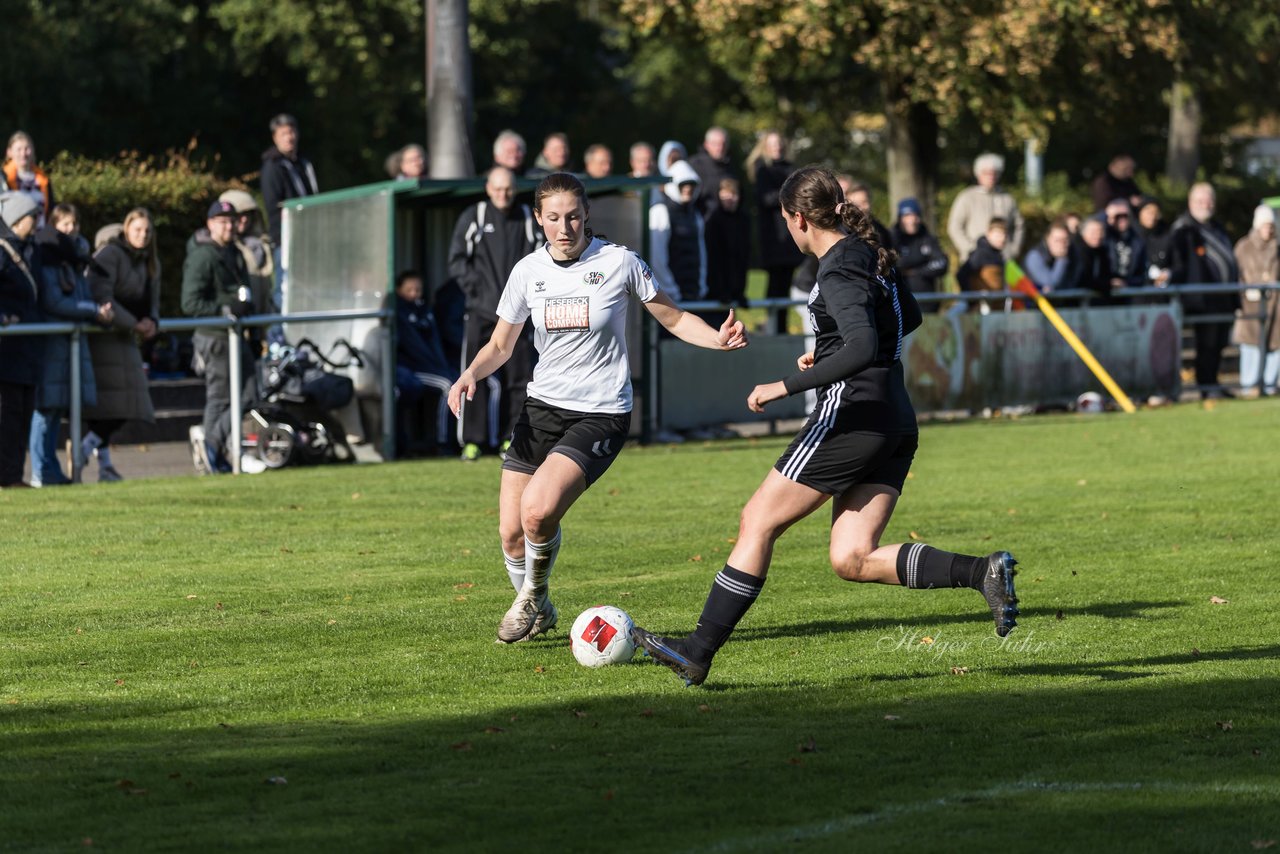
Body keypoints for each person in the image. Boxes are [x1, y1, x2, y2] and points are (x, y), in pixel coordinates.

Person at [630, 167, 1019, 687]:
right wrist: (831, 347)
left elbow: (862, 345)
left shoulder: (836, 269)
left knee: (757, 521)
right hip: (893, 417)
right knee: (851, 557)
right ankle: (981, 572)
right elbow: (908, 318)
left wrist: (784, 385)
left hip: (851, 416)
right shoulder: (869, 253)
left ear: (797, 218)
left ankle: (697, 651)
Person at [447, 172, 748, 644]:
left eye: (572, 216)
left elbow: (672, 317)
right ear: (538, 219)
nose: (564, 227)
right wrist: (470, 374)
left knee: (537, 512)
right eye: (553, 218)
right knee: (510, 533)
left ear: (586, 214)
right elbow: (501, 345)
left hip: (601, 412)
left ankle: (531, 595)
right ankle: (542, 607)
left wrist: (717, 338)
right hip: (541, 408)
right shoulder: (527, 271)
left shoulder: (619, 261)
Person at [447, 166, 543, 461]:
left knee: (520, 379)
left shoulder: (526, 217)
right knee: (473, 375)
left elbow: (541, 256)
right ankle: (472, 441)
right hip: (482, 311)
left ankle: (510, 439)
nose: (504, 194)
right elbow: (457, 260)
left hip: (518, 314)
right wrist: (477, 291)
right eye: (498, 189)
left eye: (509, 189)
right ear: (488, 188)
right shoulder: (474, 216)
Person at [30, 216, 111, 486]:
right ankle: (40, 471)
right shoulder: (49, 262)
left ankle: (50, 470)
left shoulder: (72, 263)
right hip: (50, 345)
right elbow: (55, 302)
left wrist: (98, 311)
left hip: (66, 346)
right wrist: (93, 311)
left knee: (56, 409)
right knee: (45, 409)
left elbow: (81, 297)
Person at [82, 207, 161, 481]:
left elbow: (153, 300)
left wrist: (152, 321)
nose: (143, 235)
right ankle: (83, 451)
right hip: (107, 336)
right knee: (121, 405)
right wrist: (134, 324)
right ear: (126, 229)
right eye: (138, 229)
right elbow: (102, 296)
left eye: (147, 231)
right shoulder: (111, 255)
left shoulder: (149, 261)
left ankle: (102, 465)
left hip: (126, 335)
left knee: (119, 405)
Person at [181, 200, 255, 473]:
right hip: (215, 338)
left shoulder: (234, 252)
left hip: (236, 335)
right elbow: (190, 303)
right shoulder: (203, 256)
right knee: (221, 398)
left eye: (232, 221)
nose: (228, 226)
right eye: (222, 221)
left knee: (250, 394)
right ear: (210, 224)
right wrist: (226, 308)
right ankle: (209, 447)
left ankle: (211, 447)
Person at [1169, 182, 1239, 399]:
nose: (1206, 205)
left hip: (1224, 297)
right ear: (1191, 203)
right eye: (1201, 201)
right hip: (1203, 298)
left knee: (1219, 343)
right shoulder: (1184, 228)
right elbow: (1179, 263)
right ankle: (1206, 386)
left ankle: (1213, 382)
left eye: (1209, 201)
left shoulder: (1217, 227)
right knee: (1206, 344)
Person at [260, 113, 318, 332]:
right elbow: (275, 207)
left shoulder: (304, 164)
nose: (289, 137)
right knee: (283, 289)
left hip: (308, 238)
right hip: (286, 239)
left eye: (292, 132)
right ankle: (277, 338)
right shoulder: (273, 167)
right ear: (275, 137)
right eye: (283, 133)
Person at [0, 192, 42, 488]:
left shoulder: (31, 251)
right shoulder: (4, 252)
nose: (37, 222)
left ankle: (14, 475)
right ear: (16, 219)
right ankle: (7, 475)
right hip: (7, 352)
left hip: (26, 349)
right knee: (8, 415)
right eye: (32, 216)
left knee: (23, 413)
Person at [393, 270, 458, 452]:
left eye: (418, 289)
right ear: (398, 290)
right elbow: (414, 348)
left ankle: (459, 439)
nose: (414, 294)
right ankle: (443, 443)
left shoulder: (425, 311)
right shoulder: (399, 313)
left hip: (430, 367)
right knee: (448, 386)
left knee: (459, 382)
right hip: (412, 369)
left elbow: (435, 344)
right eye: (409, 289)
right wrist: (438, 368)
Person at [751, 130, 804, 333]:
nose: (777, 147)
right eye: (772, 144)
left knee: (786, 283)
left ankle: (781, 327)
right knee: (774, 283)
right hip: (773, 236)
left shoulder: (791, 169)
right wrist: (790, 195)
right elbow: (765, 198)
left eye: (779, 143)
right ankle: (773, 327)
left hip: (790, 234)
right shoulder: (763, 170)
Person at [1231, 205, 1279, 397]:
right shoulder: (1244, 247)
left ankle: (1269, 384)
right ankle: (1249, 384)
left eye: (1271, 225)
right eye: (1265, 225)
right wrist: (1245, 292)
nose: (1269, 229)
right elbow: (1236, 274)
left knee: (1276, 344)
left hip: (1275, 305)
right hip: (1250, 304)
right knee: (1251, 345)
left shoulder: (1277, 247)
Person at [947, 152, 1023, 261]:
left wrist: (1013, 249)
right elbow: (954, 227)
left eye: (994, 173)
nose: (990, 177)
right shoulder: (967, 197)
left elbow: (1019, 225)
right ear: (978, 174)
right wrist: (970, 249)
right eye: (986, 173)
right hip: (974, 260)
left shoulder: (1007, 199)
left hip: (1003, 259)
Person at [648, 160, 706, 303]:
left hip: (693, 294)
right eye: (683, 184)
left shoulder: (695, 215)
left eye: (691, 185)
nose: (688, 189)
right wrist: (671, 292)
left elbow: (701, 254)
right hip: (670, 299)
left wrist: (701, 287)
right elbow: (657, 259)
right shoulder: (660, 212)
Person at [889, 197, 947, 311]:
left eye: (915, 215)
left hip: (927, 304)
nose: (912, 220)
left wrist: (916, 272)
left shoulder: (927, 238)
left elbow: (942, 263)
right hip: (900, 303)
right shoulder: (891, 238)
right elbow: (891, 265)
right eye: (907, 216)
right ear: (900, 218)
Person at [704, 178, 750, 308]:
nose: (729, 199)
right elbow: (713, 257)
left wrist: (739, 292)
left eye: (733, 194)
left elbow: (743, 256)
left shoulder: (744, 219)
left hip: (735, 283)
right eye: (725, 195)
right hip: (716, 288)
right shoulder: (713, 219)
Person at [3, 132, 54, 228]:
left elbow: (51, 209)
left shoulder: (43, 179)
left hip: (41, 231)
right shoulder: (3, 179)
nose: (23, 154)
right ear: (9, 152)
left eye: (27, 149)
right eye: (19, 149)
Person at [956, 218, 1008, 311]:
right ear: (989, 234)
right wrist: (972, 300)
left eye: (1004, 234)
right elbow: (961, 275)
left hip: (996, 308)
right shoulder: (981, 254)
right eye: (998, 235)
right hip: (982, 309)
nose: (1002, 238)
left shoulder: (999, 256)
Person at [688, 126, 736, 218]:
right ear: (706, 144)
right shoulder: (695, 164)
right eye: (715, 144)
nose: (720, 148)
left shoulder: (729, 167)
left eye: (723, 144)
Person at [1103, 199, 1148, 294]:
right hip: (1106, 293)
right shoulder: (1102, 239)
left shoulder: (1138, 240)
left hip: (1131, 292)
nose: (1122, 219)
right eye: (1117, 216)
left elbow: (1142, 272)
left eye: (1125, 216)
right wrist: (1109, 282)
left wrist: (1127, 283)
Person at [1023, 220, 1078, 294]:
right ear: (1047, 239)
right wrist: (1061, 259)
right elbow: (1051, 282)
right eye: (1057, 240)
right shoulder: (1035, 256)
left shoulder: (1073, 253)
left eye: (1065, 240)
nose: (1062, 244)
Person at [1072, 218, 1115, 304]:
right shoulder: (1075, 251)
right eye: (1093, 232)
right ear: (1083, 233)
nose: (1098, 236)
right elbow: (1082, 279)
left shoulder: (1102, 251)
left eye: (1100, 232)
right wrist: (1108, 284)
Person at [1136, 198, 1171, 285]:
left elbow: (1176, 264)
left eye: (1155, 213)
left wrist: (1167, 274)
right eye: (1149, 212)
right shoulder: (1133, 237)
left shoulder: (1166, 236)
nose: (1152, 216)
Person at [846, 183, 892, 249]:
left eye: (864, 202)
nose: (860, 208)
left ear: (870, 202)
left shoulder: (881, 231)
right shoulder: (842, 231)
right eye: (855, 204)